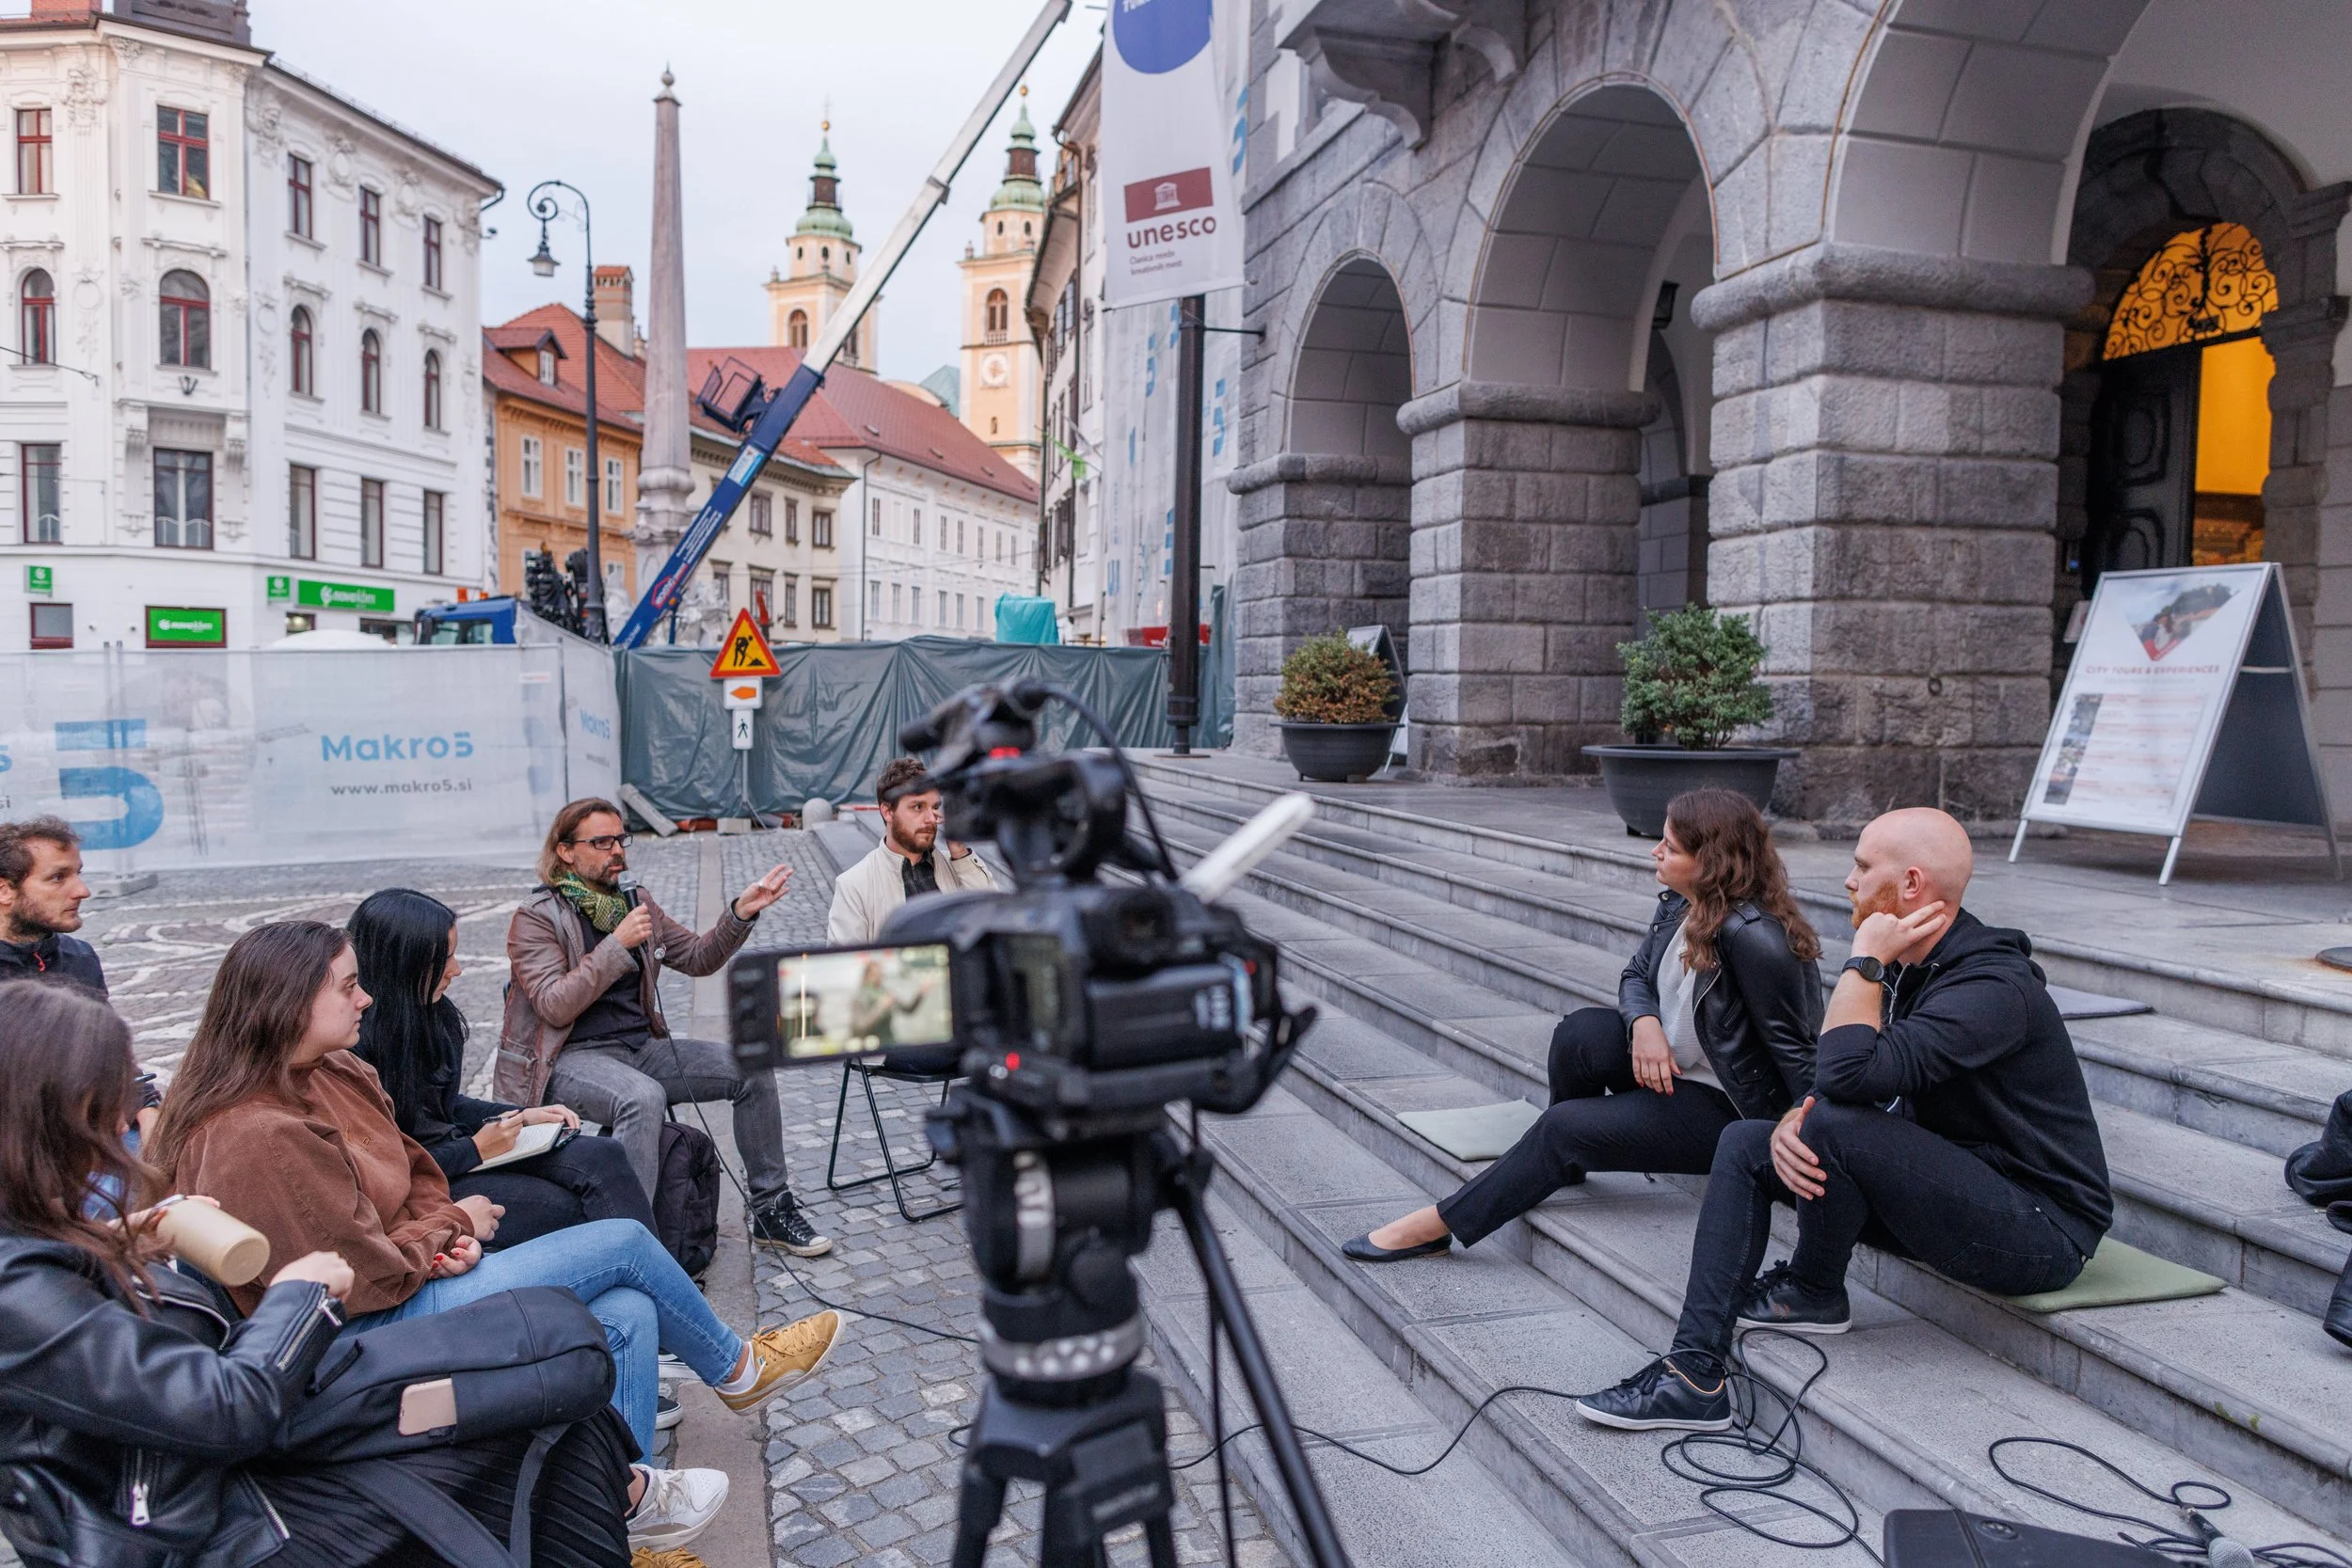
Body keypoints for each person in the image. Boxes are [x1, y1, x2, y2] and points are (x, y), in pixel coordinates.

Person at [150, 921, 848, 1551]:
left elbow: (415, 1169)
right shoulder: (255, 1134)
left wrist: (440, 1232)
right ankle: (735, 1369)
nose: (365, 999)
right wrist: (452, 1228)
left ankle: (626, 1523)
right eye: (348, 986)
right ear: (287, 1002)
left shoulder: (334, 1069)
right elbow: (352, 1280)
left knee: (628, 1311)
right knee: (624, 1245)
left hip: (400, 1280)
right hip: (356, 1341)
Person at [0, 982, 648, 1568]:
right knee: (545, 1392)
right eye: (110, 1103)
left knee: (554, 1380)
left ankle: (637, 1491)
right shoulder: (16, 1288)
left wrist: (119, 1241)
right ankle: (641, 1490)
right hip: (208, 1523)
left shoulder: (33, 1236)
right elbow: (222, 1409)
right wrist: (299, 1297)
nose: (125, 1124)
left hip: (229, 1469)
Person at [1576, 807, 2114, 1433]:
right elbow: (1858, 1083)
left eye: (1862, 867)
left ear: (1911, 884)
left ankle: (1794, 1297)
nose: (1849, 881)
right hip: (1959, 1180)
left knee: (1827, 1124)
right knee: (1749, 1140)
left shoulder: (1991, 988)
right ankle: (1718, 1358)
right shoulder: (1917, 963)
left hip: (2041, 1230)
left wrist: (1864, 962)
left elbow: (1844, 1073)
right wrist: (1798, 1114)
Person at [1344, 789, 1821, 1262]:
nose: (1656, 852)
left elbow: (1799, 1055)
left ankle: (1438, 1225)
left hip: (1726, 1108)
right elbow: (1636, 975)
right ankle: (1560, 1162)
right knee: (1579, 1034)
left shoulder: (1756, 940)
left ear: (1712, 863)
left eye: (1671, 848)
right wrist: (1645, 1022)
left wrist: (1808, 1145)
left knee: (1563, 1127)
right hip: (1674, 1070)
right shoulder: (1682, 903)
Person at [498, 799, 832, 1259]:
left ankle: (770, 1210)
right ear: (566, 851)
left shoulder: (635, 901)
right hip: (569, 1059)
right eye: (601, 842)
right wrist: (616, 946)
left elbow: (696, 957)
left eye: (620, 839)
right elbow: (554, 1006)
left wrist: (740, 912)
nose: (617, 851)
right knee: (642, 1098)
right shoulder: (536, 917)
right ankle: (629, 1245)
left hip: (641, 1048)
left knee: (751, 1067)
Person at [350, 887, 656, 1251]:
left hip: (462, 1151)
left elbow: (441, 1104)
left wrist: (521, 1116)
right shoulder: (355, 1047)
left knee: (605, 1155)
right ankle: (635, 1273)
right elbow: (387, 1168)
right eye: (444, 959)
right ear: (403, 963)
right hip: (428, 1181)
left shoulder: (432, 1014)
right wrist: (475, 1149)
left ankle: (659, 1272)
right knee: (564, 1208)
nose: (457, 970)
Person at [826, 757, 998, 946]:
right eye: (918, 807)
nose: (931, 818)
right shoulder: (854, 885)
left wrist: (960, 851)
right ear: (888, 812)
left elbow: (993, 919)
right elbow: (847, 961)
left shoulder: (958, 866)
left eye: (935, 807)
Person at [0, 816, 103, 991]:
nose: (83, 891)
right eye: (57, 877)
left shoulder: (80, 959)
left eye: (78, 873)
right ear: (4, 891)